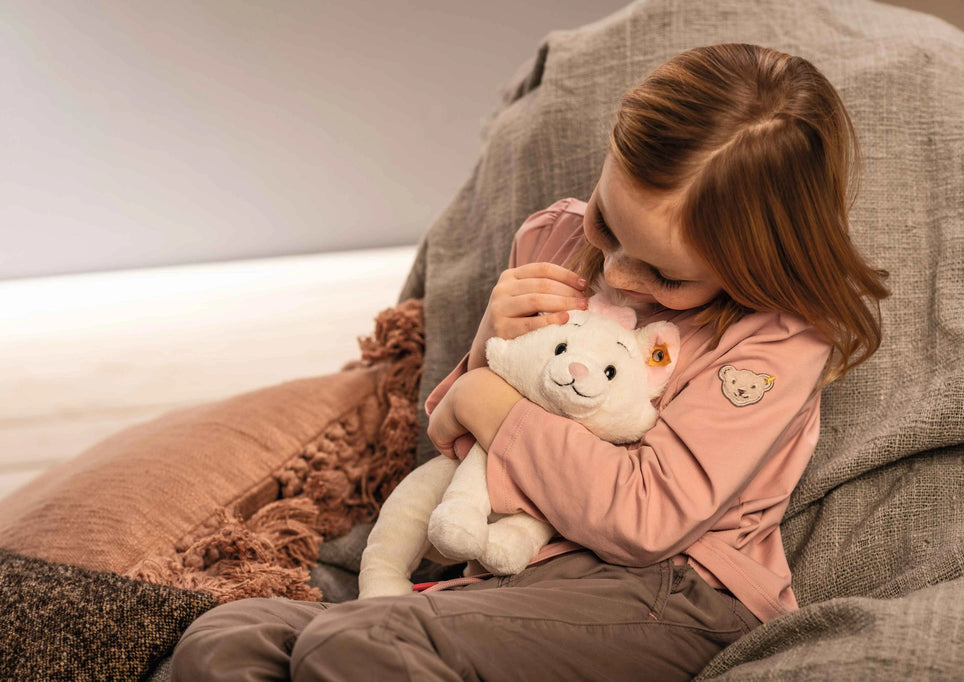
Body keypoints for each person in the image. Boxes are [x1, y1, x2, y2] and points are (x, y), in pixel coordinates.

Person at [170, 43, 889, 681]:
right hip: (506, 567)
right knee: (226, 638)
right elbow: (452, 443)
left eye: (667, 277)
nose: (621, 274)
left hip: (671, 594)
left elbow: (648, 516)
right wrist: (489, 343)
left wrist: (489, 395)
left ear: (758, 261)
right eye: (608, 226)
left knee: (359, 649)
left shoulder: (776, 340)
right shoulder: (551, 241)